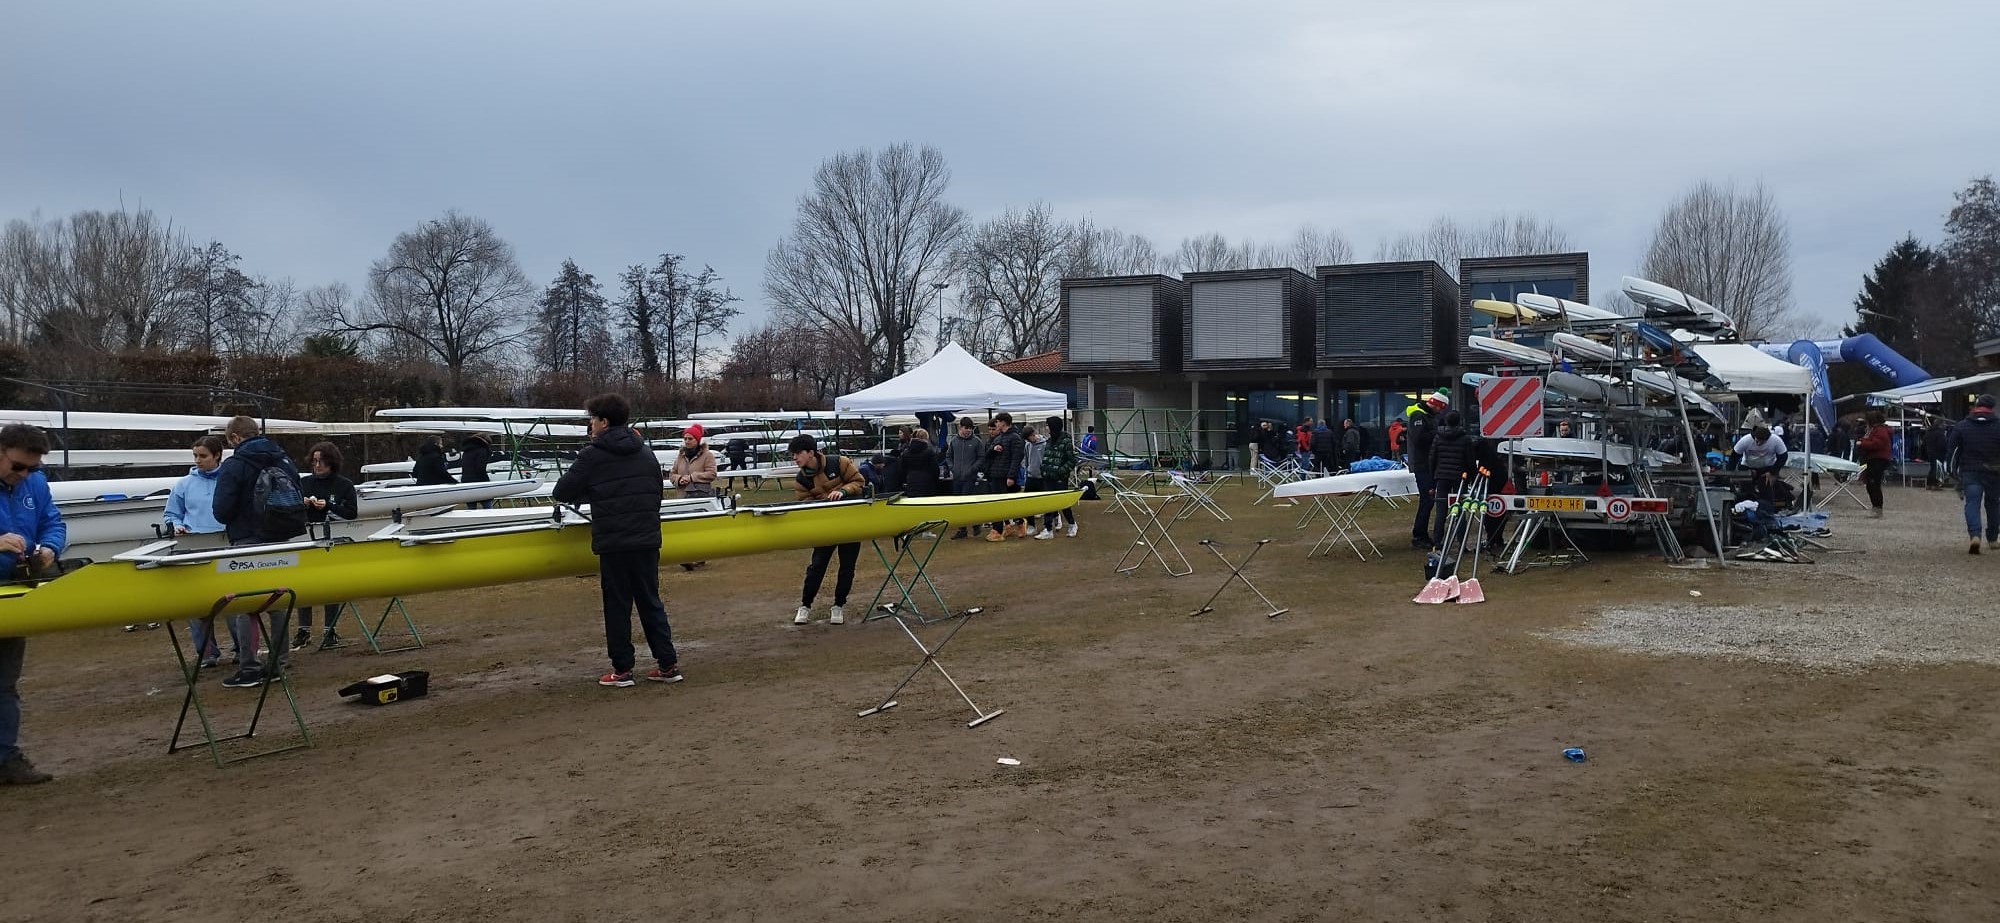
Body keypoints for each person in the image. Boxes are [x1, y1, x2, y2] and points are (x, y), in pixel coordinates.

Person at [552, 393, 681, 686]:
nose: (590, 424)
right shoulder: (646, 453)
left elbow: (562, 492)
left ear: (604, 422)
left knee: (618, 606)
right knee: (651, 602)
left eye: (593, 419)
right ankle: (668, 664)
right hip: (647, 539)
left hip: (614, 543)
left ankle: (622, 670)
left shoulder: (592, 455)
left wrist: (592, 494)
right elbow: (655, 494)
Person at [211, 415, 306, 688]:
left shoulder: (235, 465)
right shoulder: (284, 460)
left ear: (235, 438)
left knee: (246, 605)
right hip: (282, 537)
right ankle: (278, 662)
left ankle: (249, 666)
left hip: (248, 538)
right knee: (278, 601)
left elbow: (222, 511)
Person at [0, 423, 64, 785]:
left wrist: (51, 548)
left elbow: (52, 522)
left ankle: (5, 757)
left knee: (5, 683)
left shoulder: (35, 484)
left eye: (33, 469)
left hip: (14, 593)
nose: (23, 475)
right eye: (18, 467)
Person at [163, 435, 231, 665]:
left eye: (203, 456)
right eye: (195, 456)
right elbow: (171, 514)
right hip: (193, 548)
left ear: (217, 456)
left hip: (225, 546)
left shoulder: (230, 481)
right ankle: (207, 652)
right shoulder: (184, 484)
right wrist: (178, 526)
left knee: (233, 602)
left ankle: (241, 649)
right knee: (197, 603)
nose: (198, 460)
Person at [789, 434, 866, 625]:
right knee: (816, 566)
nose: (795, 458)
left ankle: (838, 606)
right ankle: (805, 605)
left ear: (811, 453)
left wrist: (843, 491)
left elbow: (859, 482)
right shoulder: (801, 480)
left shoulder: (840, 462)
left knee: (847, 567)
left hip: (851, 523)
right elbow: (804, 506)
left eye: (798, 453)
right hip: (825, 527)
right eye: (793, 454)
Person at [295, 441, 359, 651]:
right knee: (304, 584)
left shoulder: (344, 485)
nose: (317, 465)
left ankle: (329, 630)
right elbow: (292, 512)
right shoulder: (304, 483)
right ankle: (303, 630)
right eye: (314, 461)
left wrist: (329, 505)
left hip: (333, 539)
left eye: (321, 461)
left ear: (331, 462)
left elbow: (351, 513)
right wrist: (302, 504)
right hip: (307, 538)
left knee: (331, 584)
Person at [1948, 394, 2000, 554]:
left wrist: (1952, 472)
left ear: (1976, 407)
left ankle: (1975, 537)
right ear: (1992, 408)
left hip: (1970, 471)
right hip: (1994, 472)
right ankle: (1992, 538)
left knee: (1972, 504)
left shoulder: (1962, 426)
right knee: (1993, 505)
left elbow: (1953, 452)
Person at [669, 424, 718, 571]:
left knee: (699, 527)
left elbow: (712, 474)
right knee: (685, 526)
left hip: (701, 496)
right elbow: (671, 474)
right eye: (685, 438)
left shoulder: (708, 456)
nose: (687, 441)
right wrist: (679, 479)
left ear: (697, 440)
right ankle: (687, 556)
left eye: (690, 438)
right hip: (683, 496)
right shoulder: (680, 456)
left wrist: (692, 477)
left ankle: (699, 556)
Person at [1429, 411, 1476, 546]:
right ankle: (1461, 542)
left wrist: (1433, 477)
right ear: (1459, 422)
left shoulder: (1438, 437)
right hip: (1459, 477)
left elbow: (1432, 458)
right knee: (1460, 509)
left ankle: (1437, 541)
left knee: (1440, 511)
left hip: (1441, 476)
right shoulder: (1465, 438)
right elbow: (1470, 460)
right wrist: (1472, 477)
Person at [1406, 391, 1445, 548]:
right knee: (1426, 500)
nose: (1440, 412)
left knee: (1428, 501)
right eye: (1440, 408)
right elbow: (1420, 439)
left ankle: (1421, 534)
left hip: (1428, 463)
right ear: (1435, 404)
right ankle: (1419, 535)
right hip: (1423, 464)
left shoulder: (1427, 417)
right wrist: (1438, 432)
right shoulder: (1418, 416)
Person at [982, 412, 1027, 542]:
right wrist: (993, 449)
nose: (996, 424)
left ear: (1003, 422)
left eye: (997, 422)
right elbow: (987, 454)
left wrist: (1011, 476)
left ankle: (1019, 523)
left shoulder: (1015, 438)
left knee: (1009, 503)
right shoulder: (998, 438)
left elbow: (1016, 458)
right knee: (997, 504)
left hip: (1006, 476)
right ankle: (998, 529)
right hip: (995, 475)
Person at [1035, 416, 1079, 539]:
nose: (1046, 427)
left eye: (1048, 425)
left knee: (1063, 503)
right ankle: (1048, 529)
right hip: (1048, 476)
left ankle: (1072, 523)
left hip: (1060, 478)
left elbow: (1072, 460)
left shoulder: (1066, 441)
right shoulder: (1049, 441)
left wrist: (1061, 471)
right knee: (1048, 502)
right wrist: (1044, 469)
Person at [945, 417, 985, 539]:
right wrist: (952, 468)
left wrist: (973, 469)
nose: (968, 431)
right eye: (966, 428)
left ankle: (975, 524)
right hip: (957, 477)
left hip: (970, 478)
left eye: (970, 428)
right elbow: (948, 456)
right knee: (958, 503)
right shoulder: (954, 441)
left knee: (968, 502)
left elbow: (981, 457)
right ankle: (962, 528)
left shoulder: (977, 441)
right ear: (960, 427)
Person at [1855, 409, 1892, 519]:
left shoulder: (1880, 430)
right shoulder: (1875, 430)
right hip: (1873, 459)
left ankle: (1877, 508)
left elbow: (1876, 444)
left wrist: (1862, 443)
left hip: (1878, 459)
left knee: (1874, 484)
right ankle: (1875, 507)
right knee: (1871, 484)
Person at [900, 427, 939, 498]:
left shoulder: (906, 453)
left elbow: (902, 469)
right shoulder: (929, 452)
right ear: (925, 439)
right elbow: (935, 470)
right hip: (927, 483)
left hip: (911, 482)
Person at [1924, 416, 1950, 490]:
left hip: (1930, 452)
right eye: (1944, 424)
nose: (1945, 425)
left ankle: (1929, 484)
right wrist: (1946, 450)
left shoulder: (1929, 431)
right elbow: (1942, 444)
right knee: (1937, 470)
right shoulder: (1940, 433)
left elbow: (1924, 442)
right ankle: (1934, 485)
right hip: (1938, 453)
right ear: (1940, 424)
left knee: (1932, 468)